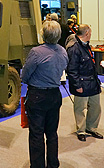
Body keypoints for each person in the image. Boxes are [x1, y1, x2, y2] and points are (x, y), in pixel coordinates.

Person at [21, 21, 68, 168]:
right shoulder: (63, 52)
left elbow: (25, 75)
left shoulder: (36, 52)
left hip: (37, 96)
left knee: (37, 134)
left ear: (43, 34)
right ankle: (53, 164)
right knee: (52, 133)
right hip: (55, 95)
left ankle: (37, 165)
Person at [66, 24, 102, 141]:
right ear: (86, 33)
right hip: (81, 83)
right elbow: (71, 70)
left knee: (96, 107)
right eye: (90, 33)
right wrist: (77, 86)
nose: (91, 35)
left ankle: (91, 128)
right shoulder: (74, 48)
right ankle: (81, 130)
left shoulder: (86, 46)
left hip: (92, 82)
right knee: (80, 109)